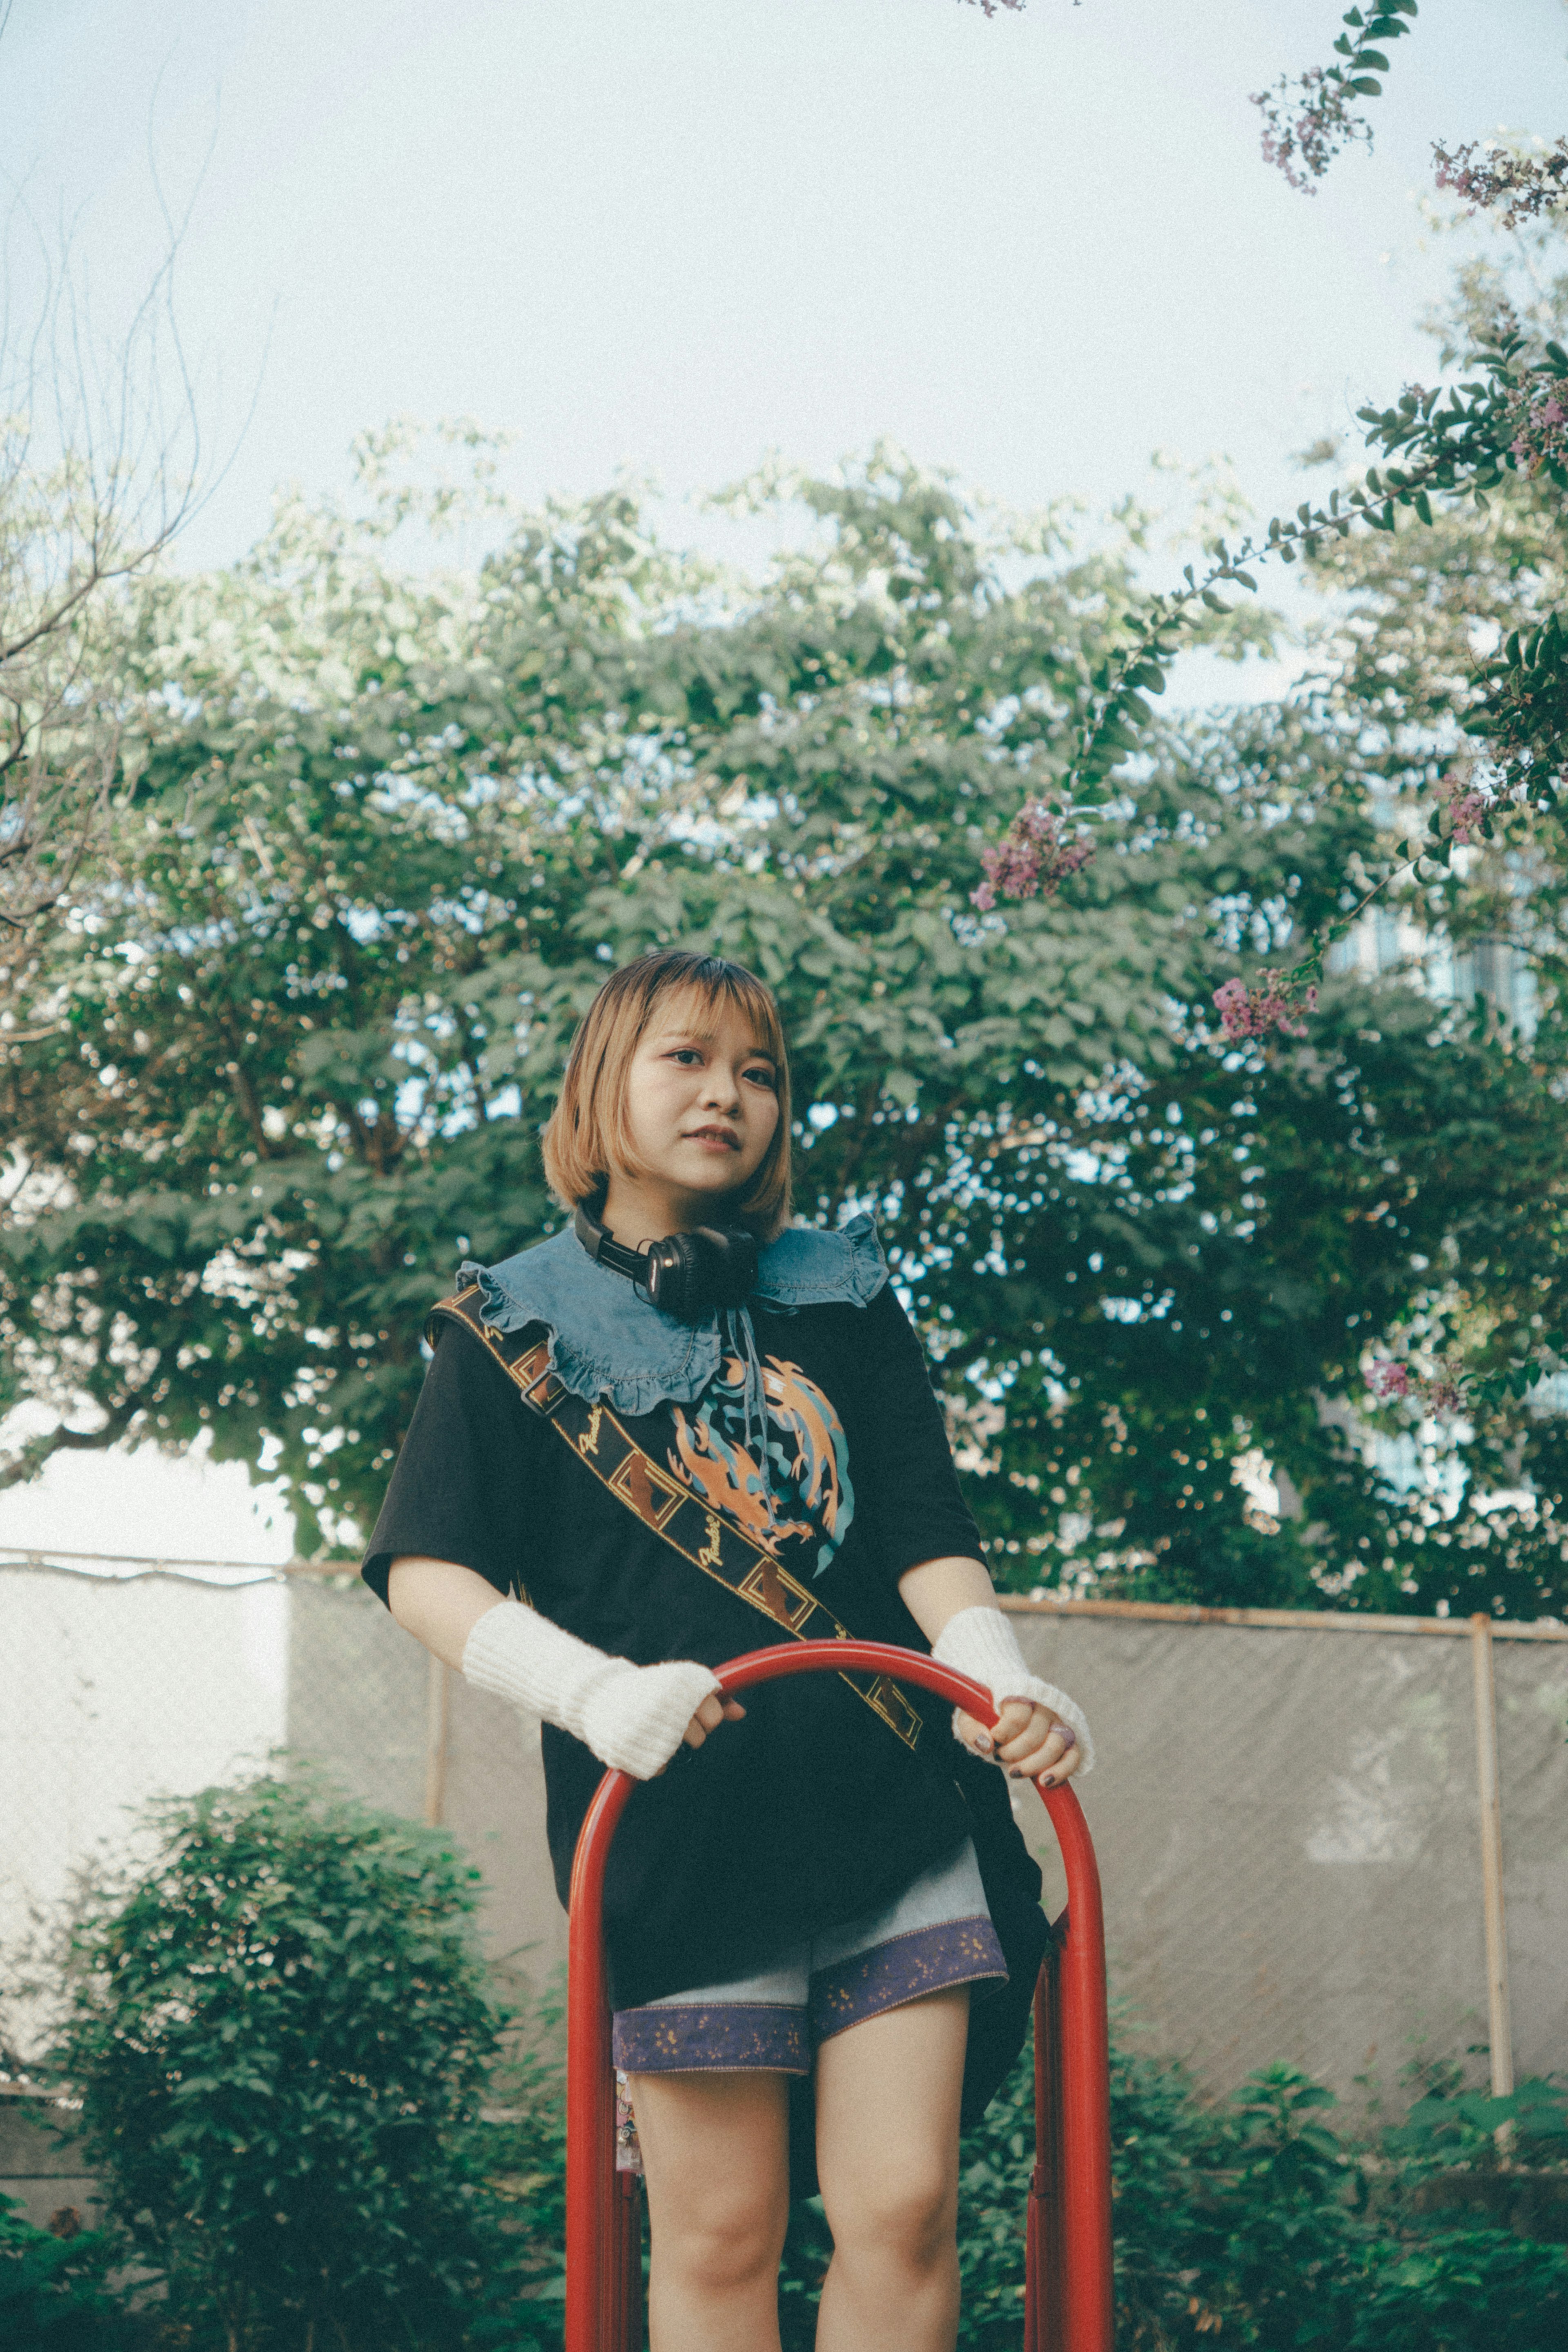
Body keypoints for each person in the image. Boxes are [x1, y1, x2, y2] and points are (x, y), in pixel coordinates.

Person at [361, 947, 1093, 2352]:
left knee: (905, 2208)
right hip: (676, 1847)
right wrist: (587, 1691)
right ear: (602, 1087)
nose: (727, 1093)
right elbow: (425, 1570)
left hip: (892, 1824)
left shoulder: (848, 1295)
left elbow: (926, 1530)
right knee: (717, 2234)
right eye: (686, 1059)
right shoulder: (503, 1325)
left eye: (758, 1071)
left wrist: (991, 1666)